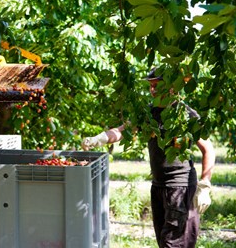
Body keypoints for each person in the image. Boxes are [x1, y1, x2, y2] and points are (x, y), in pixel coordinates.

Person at [82, 68, 216, 248]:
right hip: (158, 187)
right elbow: (122, 131)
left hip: (180, 188)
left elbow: (208, 149)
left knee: (173, 244)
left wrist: (205, 184)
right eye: (150, 85)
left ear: (171, 87)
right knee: (163, 241)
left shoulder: (185, 115)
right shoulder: (148, 114)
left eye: (157, 85)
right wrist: (98, 139)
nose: (152, 90)